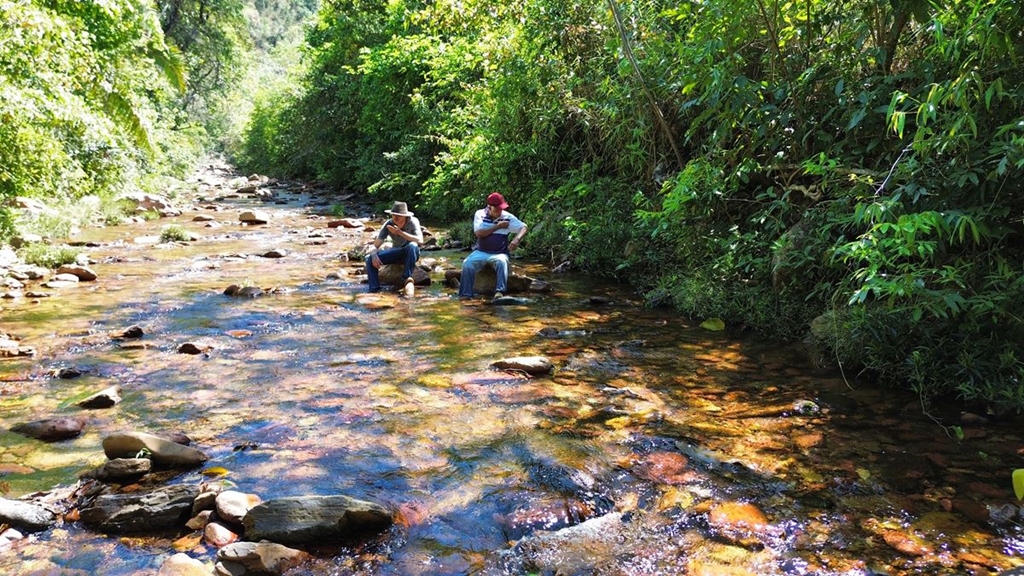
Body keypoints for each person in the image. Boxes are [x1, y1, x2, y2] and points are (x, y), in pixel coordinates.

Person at [458, 192, 527, 300]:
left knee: (502, 262)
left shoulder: (507, 217)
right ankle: (465, 295)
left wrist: (516, 239)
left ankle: (500, 292)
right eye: (497, 209)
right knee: (467, 263)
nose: (500, 212)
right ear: (489, 207)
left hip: (499, 253)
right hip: (481, 251)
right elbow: (479, 233)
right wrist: (497, 226)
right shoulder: (480, 214)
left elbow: (523, 227)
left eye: (501, 209)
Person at [365, 201, 423, 293]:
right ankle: (374, 289)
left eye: (398, 215)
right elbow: (375, 245)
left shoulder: (413, 221)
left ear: (405, 216)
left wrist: (400, 232)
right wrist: (374, 254)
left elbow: (420, 241)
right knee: (369, 258)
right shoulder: (388, 224)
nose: (395, 217)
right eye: (393, 215)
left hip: (410, 252)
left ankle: (407, 277)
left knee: (412, 245)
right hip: (396, 252)